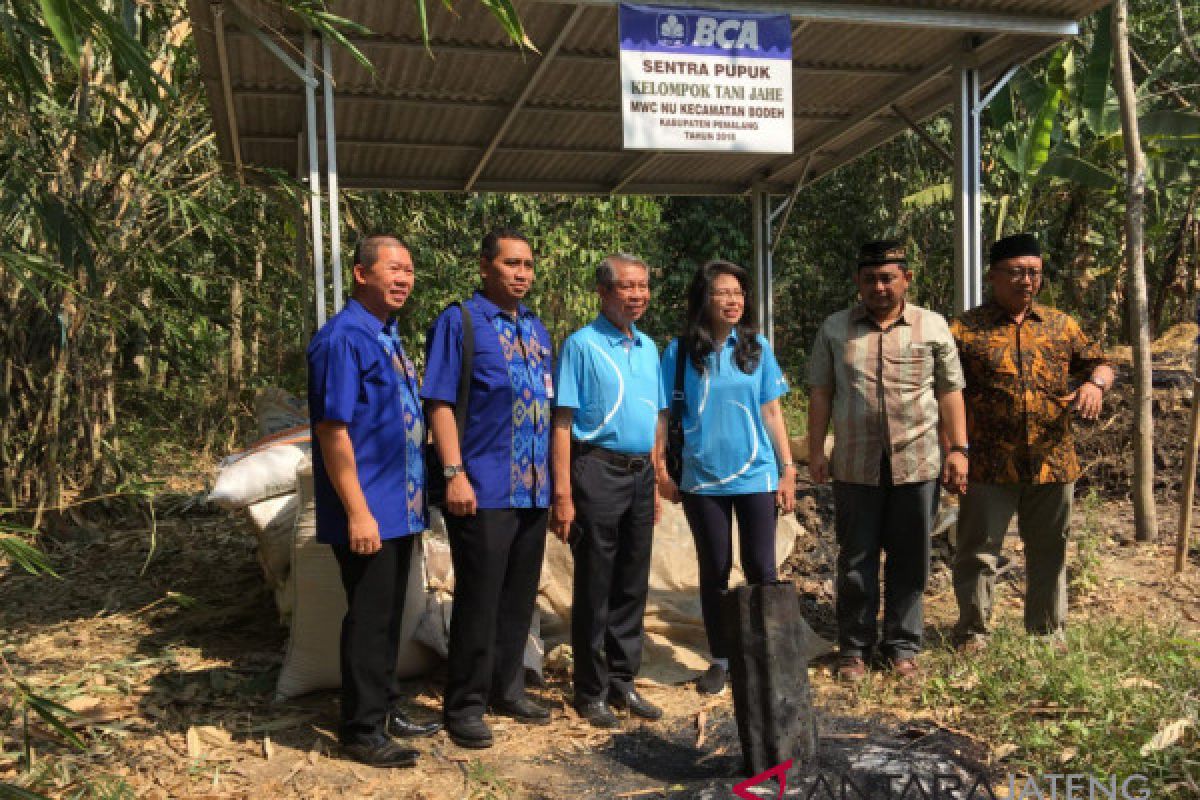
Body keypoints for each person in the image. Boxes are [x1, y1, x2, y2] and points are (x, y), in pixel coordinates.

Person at [306, 234, 441, 768]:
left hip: (401, 505)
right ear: (361, 274)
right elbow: (333, 431)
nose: (404, 278)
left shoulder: (388, 334)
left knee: (388, 615)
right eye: (393, 268)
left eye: (409, 269)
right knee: (368, 617)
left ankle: (386, 707)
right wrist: (358, 511)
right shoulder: (343, 339)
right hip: (370, 509)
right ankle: (361, 730)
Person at [807, 240, 968, 682]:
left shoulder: (932, 327)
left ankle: (902, 647)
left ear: (906, 279)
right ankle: (855, 649)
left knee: (911, 557)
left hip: (918, 463)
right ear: (858, 282)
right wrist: (818, 450)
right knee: (856, 559)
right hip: (856, 465)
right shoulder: (835, 329)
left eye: (887, 278)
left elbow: (950, 391)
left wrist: (959, 450)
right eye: (870, 279)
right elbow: (820, 392)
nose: (879, 287)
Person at [422, 228, 554, 748]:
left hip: (533, 490)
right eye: (511, 264)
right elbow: (439, 403)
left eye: (527, 264)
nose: (521, 273)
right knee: (478, 599)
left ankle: (508, 687)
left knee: (519, 597)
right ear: (484, 267)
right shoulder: (461, 323)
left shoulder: (537, 330)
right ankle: (466, 704)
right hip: (483, 487)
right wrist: (455, 474)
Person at [950, 233, 1114, 650]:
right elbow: (945, 392)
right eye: (1017, 272)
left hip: (1052, 459)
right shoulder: (964, 330)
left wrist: (1095, 384)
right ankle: (973, 631)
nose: (1027, 281)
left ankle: (1046, 632)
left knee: (1049, 549)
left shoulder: (1061, 325)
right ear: (993, 276)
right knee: (978, 551)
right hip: (988, 460)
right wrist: (954, 449)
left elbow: (1101, 363)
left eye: (1034, 273)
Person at [654, 259, 796, 696]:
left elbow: (772, 411)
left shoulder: (756, 348)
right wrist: (660, 467)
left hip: (757, 475)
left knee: (761, 567)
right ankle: (721, 658)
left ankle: (765, 653)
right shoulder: (678, 354)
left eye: (738, 293)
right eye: (722, 293)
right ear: (703, 300)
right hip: (702, 479)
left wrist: (788, 469)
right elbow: (663, 414)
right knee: (714, 570)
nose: (732, 301)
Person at [550, 254, 664, 729]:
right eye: (627, 287)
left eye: (643, 287)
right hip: (596, 470)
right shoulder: (582, 345)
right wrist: (563, 493)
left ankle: (623, 681)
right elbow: (563, 421)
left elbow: (658, 417)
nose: (637, 296)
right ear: (603, 292)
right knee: (595, 584)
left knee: (632, 583)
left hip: (640, 476)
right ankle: (590, 690)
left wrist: (656, 478)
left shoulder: (650, 347)